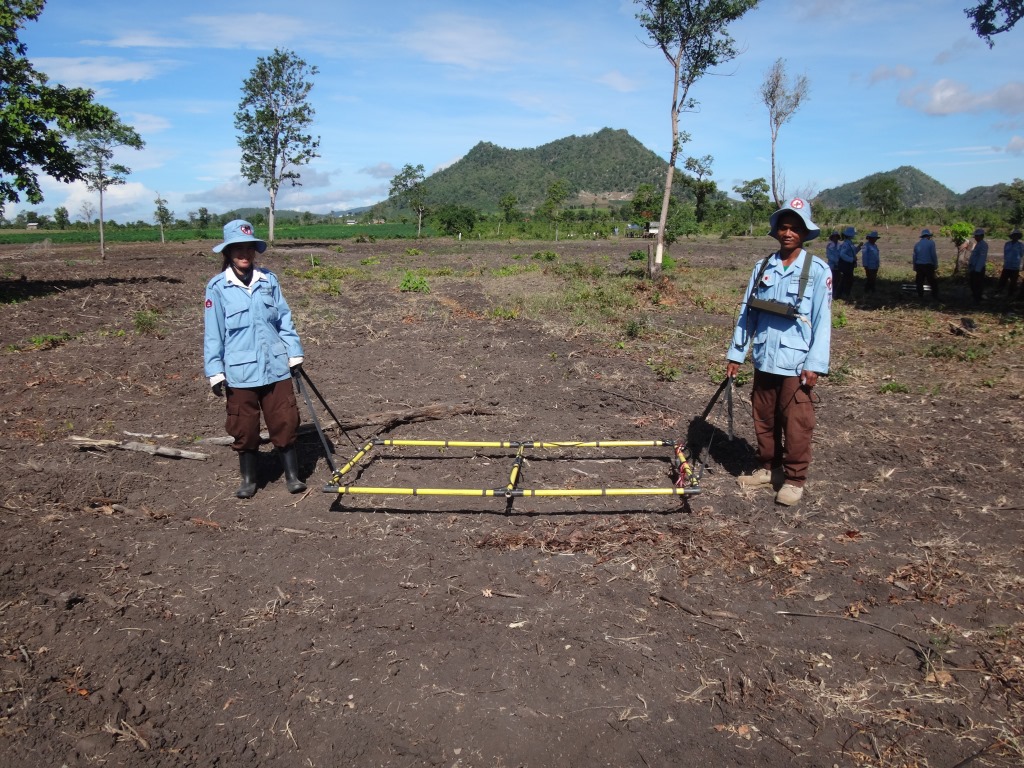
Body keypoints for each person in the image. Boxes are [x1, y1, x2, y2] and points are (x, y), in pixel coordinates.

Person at [726, 197, 832, 506]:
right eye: (783, 227)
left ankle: (795, 479)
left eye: (794, 228)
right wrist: (736, 353)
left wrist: (814, 364)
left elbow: (822, 320)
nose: (788, 233)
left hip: (796, 363)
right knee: (764, 418)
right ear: (776, 231)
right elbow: (749, 314)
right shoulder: (763, 268)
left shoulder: (816, 270)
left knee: (796, 422)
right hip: (764, 358)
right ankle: (769, 469)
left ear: (804, 233)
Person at [204, 220, 307, 499]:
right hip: (239, 371)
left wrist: (294, 352)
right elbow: (213, 333)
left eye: (249, 248)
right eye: (238, 249)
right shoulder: (217, 287)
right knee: (244, 427)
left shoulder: (269, 280)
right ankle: (249, 479)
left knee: (285, 420)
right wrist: (215, 371)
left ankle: (292, 475)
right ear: (228, 252)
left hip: (276, 366)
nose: (244, 254)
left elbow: (284, 319)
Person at [834, 226, 860, 299]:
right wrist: (851, 259)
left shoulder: (849, 243)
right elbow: (842, 254)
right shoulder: (846, 244)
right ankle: (843, 294)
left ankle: (842, 294)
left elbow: (853, 252)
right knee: (847, 279)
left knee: (847, 279)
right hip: (846, 264)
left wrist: (859, 247)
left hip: (849, 264)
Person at [912, 228, 939, 299]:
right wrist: (935, 264)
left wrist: (914, 266)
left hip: (919, 265)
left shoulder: (917, 244)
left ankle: (920, 296)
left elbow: (914, 256)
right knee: (932, 281)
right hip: (928, 265)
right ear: (928, 236)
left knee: (919, 282)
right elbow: (933, 254)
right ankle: (935, 296)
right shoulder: (931, 243)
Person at [998, 228, 1022, 297]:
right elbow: (1005, 253)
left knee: (1013, 281)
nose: (1015, 237)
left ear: (1018, 237)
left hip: (1015, 266)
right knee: (1003, 280)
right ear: (1012, 236)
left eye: (1016, 235)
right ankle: (999, 292)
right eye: (1014, 235)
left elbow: (1021, 254)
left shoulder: (1020, 245)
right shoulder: (1007, 244)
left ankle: (1010, 294)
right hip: (1007, 265)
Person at [967, 228, 988, 304]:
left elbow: (982, 258)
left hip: (978, 268)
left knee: (977, 284)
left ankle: (977, 299)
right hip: (974, 268)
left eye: (977, 236)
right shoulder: (978, 244)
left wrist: (977, 270)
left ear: (982, 236)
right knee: (973, 283)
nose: (976, 237)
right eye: (975, 236)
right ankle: (975, 297)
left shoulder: (983, 245)